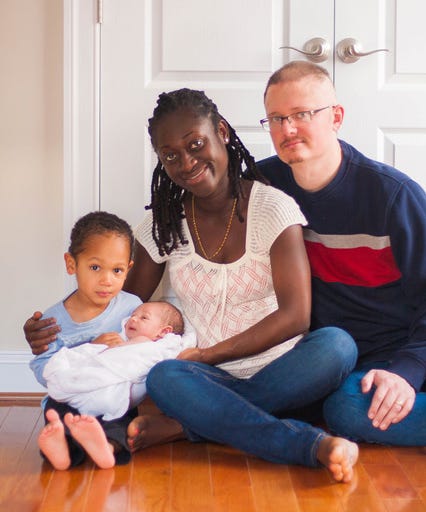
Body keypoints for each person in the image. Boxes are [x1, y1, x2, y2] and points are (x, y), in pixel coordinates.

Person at [25, 88, 359, 482]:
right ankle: (308, 444)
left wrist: (207, 355)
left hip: (281, 367)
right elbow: (114, 306)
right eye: (171, 155)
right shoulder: (163, 226)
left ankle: (188, 427)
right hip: (198, 378)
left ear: (222, 132)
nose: (186, 163)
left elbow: (296, 316)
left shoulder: (273, 208)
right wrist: (55, 329)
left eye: (196, 144)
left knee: (337, 346)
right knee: (164, 377)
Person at [257, 60, 426, 445]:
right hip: (323, 355)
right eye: (276, 118)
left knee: (345, 409)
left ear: (336, 117)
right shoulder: (264, 185)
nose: (288, 129)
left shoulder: (394, 196)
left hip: (394, 353)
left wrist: (406, 371)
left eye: (302, 114)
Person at [32, 211, 143, 470]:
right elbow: (43, 369)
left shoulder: (131, 307)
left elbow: (141, 347)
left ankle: (107, 447)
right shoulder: (52, 320)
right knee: (57, 411)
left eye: (117, 270)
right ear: (72, 264)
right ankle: (61, 451)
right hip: (71, 396)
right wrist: (91, 348)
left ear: (128, 270)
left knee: (121, 415)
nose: (106, 280)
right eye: (95, 267)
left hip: (111, 392)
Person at [39, 301, 185, 470]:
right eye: (133, 316)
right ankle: (68, 450)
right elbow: (91, 355)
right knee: (57, 406)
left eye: (144, 318)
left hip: (115, 391)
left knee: (118, 420)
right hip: (89, 390)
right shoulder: (118, 338)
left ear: (164, 332)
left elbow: (162, 358)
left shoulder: (157, 346)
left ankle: (103, 448)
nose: (134, 320)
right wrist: (97, 347)